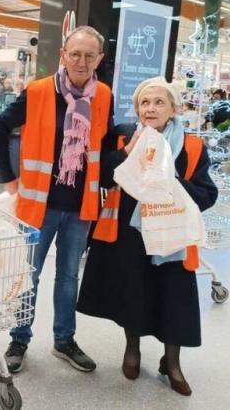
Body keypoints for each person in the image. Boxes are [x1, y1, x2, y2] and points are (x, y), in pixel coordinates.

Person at [77, 77, 218, 396]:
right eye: (144, 102)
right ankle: (132, 349)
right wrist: (128, 151)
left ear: (173, 108)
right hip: (131, 234)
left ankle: (172, 362)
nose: (151, 108)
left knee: (173, 299)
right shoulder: (122, 137)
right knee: (134, 293)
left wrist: (174, 183)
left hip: (173, 239)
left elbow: (209, 193)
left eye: (159, 102)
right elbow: (101, 176)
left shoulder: (192, 146)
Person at [0, 26, 114, 374]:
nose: (81, 61)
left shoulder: (103, 95)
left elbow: (103, 145)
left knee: (67, 278)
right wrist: (9, 179)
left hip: (80, 206)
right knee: (28, 275)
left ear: (99, 60)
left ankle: (64, 340)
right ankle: (19, 338)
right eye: (75, 53)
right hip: (38, 205)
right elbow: (0, 129)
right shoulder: (39, 91)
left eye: (90, 55)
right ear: (63, 54)